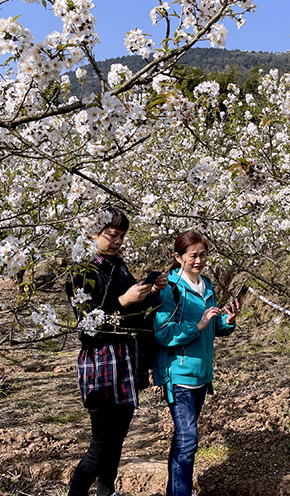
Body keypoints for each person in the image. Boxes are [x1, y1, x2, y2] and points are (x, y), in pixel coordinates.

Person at [66, 206, 168, 496]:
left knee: (119, 438)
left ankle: (106, 492)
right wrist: (124, 300)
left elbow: (133, 313)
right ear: (93, 233)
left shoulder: (119, 265)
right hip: (101, 363)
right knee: (101, 442)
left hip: (128, 359)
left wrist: (151, 291)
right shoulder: (82, 271)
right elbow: (88, 324)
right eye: (111, 235)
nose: (117, 241)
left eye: (121, 236)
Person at [152, 229, 245, 496]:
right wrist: (198, 324)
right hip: (178, 374)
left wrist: (227, 320)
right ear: (178, 257)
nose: (199, 261)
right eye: (193, 255)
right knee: (189, 440)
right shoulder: (169, 289)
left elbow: (214, 328)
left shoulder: (207, 285)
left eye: (203, 255)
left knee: (183, 439)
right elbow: (163, 333)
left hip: (202, 376)